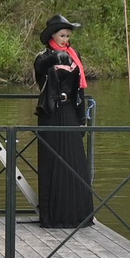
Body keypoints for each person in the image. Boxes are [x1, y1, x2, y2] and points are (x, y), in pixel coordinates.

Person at [32, 13, 94, 228]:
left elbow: (80, 90)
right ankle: (53, 216)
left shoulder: (74, 56)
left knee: (74, 162)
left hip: (68, 113)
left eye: (67, 35)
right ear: (52, 35)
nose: (65, 39)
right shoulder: (44, 56)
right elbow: (40, 69)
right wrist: (55, 58)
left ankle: (78, 214)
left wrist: (81, 118)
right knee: (53, 161)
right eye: (61, 35)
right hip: (51, 114)